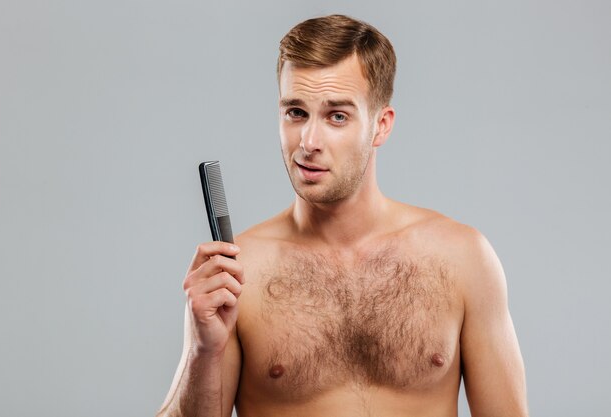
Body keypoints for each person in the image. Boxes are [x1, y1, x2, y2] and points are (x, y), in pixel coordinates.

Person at [157, 14, 528, 417]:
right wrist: (203, 351)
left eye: (337, 116)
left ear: (380, 126)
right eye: (295, 112)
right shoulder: (238, 271)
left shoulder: (462, 258)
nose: (308, 142)